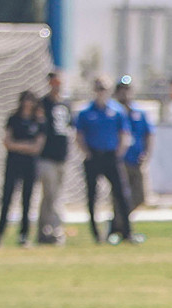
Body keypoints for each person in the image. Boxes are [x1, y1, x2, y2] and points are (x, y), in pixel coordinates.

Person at [73, 76, 135, 245]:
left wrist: (119, 153)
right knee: (92, 196)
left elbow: (124, 134)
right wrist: (86, 152)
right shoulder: (86, 112)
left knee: (122, 195)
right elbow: (78, 135)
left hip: (111, 156)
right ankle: (96, 234)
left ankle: (127, 231)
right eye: (98, 88)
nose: (101, 92)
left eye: (104, 88)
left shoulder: (117, 111)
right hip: (94, 156)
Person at [0, 91, 45, 247]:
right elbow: (7, 141)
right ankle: (0, 234)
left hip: (30, 165)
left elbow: (37, 147)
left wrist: (18, 146)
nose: (28, 103)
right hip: (13, 163)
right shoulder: (13, 119)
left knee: (27, 200)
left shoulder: (38, 121)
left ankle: (24, 235)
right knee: (7, 198)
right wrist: (25, 146)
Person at [36, 71, 74, 245]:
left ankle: (43, 230)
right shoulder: (43, 104)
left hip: (62, 157)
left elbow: (69, 128)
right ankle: (56, 231)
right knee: (52, 195)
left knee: (52, 196)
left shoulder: (66, 104)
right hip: (46, 156)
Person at [115, 77, 152, 211]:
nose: (124, 93)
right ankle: (120, 225)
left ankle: (121, 222)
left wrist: (146, 153)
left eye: (127, 89)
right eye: (121, 89)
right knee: (120, 195)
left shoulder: (139, 113)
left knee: (139, 196)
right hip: (120, 160)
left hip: (136, 158)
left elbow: (148, 134)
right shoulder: (114, 112)